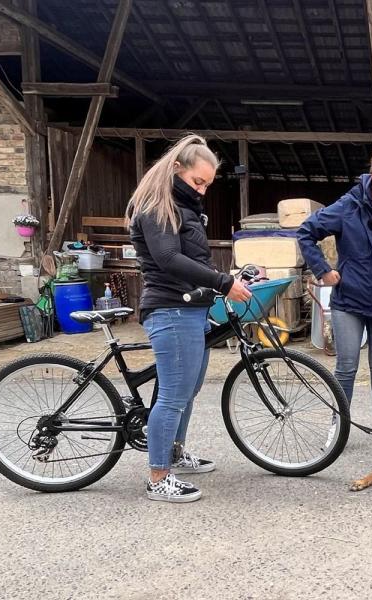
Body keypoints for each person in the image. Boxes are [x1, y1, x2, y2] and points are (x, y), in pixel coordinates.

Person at [126, 134, 252, 503]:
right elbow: (168, 259)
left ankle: (174, 453)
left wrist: (226, 278)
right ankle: (158, 477)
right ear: (176, 169)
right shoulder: (155, 206)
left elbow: (197, 261)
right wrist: (223, 282)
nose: (202, 190)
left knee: (188, 391)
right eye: (198, 181)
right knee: (173, 395)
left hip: (191, 308)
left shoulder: (186, 208)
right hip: (170, 307)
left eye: (207, 185)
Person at [297, 148, 372, 442]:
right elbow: (306, 232)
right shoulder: (348, 206)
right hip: (349, 302)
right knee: (346, 366)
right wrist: (323, 270)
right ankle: (339, 422)